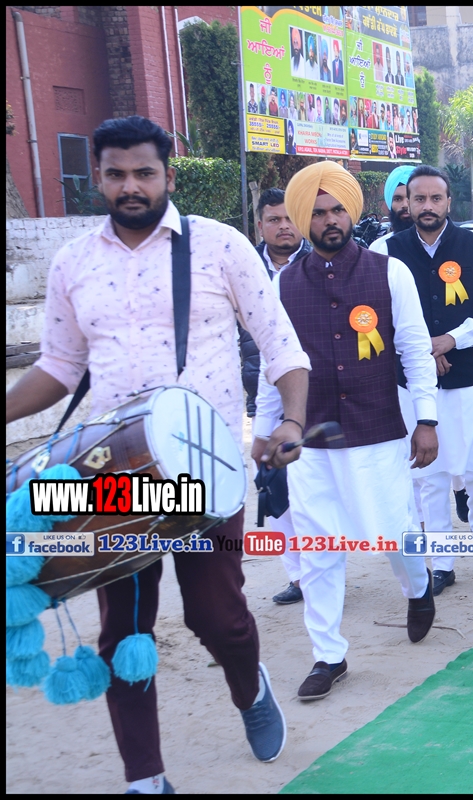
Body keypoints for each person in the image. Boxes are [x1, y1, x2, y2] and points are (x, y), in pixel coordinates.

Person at [4, 115, 310, 792]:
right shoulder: (73, 262)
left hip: (206, 475)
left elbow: (281, 345)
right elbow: (58, 366)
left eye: (144, 172)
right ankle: (144, 778)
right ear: (98, 178)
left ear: (169, 175)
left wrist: (291, 419)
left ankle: (249, 688)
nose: (130, 186)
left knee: (218, 618)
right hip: (109, 475)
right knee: (122, 634)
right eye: (115, 174)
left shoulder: (220, 246)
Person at [256, 161, 439, 701]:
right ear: (302, 220)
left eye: (337, 209)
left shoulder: (390, 273)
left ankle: (419, 587)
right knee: (318, 546)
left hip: (377, 428)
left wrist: (426, 419)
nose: (330, 220)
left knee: (394, 530)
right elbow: (274, 365)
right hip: (310, 439)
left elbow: (415, 350)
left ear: (351, 213)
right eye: (318, 213)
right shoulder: (283, 283)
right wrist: (265, 432)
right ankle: (328, 655)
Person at [380, 165, 473, 596]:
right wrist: (420, 351)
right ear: (406, 203)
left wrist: (450, 340)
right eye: (419, 199)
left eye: (436, 198)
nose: (428, 206)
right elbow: (376, 315)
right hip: (412, 383)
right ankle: (443, 563)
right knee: (427, 476)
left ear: (449, 202)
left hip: (467, 377)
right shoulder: (385, 250)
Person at [239, 188, 313, 606]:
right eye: (274, 219)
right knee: (273, 485)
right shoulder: (243, 268)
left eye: (289, 218)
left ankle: (324, 567)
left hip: (316, 395)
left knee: (313, 490)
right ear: (260, 225)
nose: (283, 226)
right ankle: (298, 575)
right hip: (263, 391)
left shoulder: (320, 262)